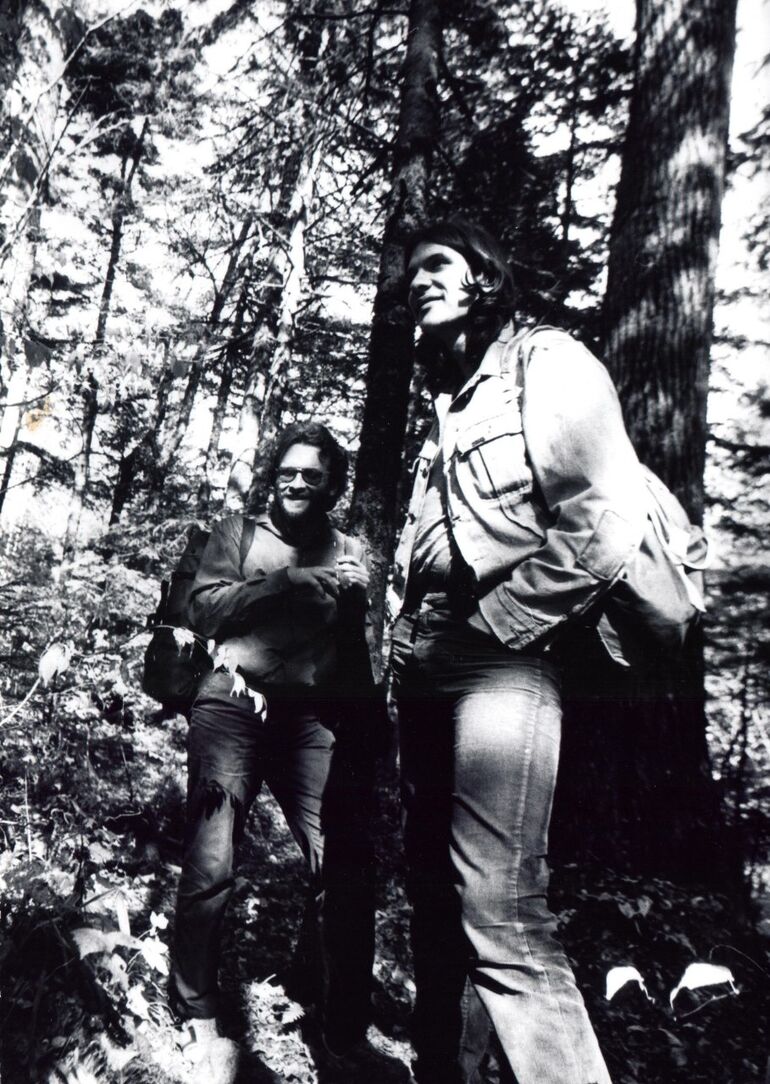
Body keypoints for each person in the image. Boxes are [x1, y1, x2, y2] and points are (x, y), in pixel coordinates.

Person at [389, 219, 649, 1084]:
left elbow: (605, 517)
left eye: (438, 264)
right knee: (435, 894)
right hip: (426, 655)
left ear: (484, 278)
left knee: (499, 908)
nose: (419, 280)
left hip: (504, 655)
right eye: (410, 272)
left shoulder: (550, 363)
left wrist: (499, 621)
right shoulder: (448, 397)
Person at [169, 421, 382, 1073]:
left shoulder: (349, 548)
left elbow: (353, 650)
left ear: (331, 485)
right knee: (212, 860)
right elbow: (203, 611)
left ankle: (336, 1021)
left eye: (311, 475)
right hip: (231, 704)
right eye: (287, 472)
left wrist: (355, 600)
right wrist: (286, 583)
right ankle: (197, 1011)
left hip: (309, 719)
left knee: (341, 858)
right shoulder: (236, 533)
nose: (296, 483)